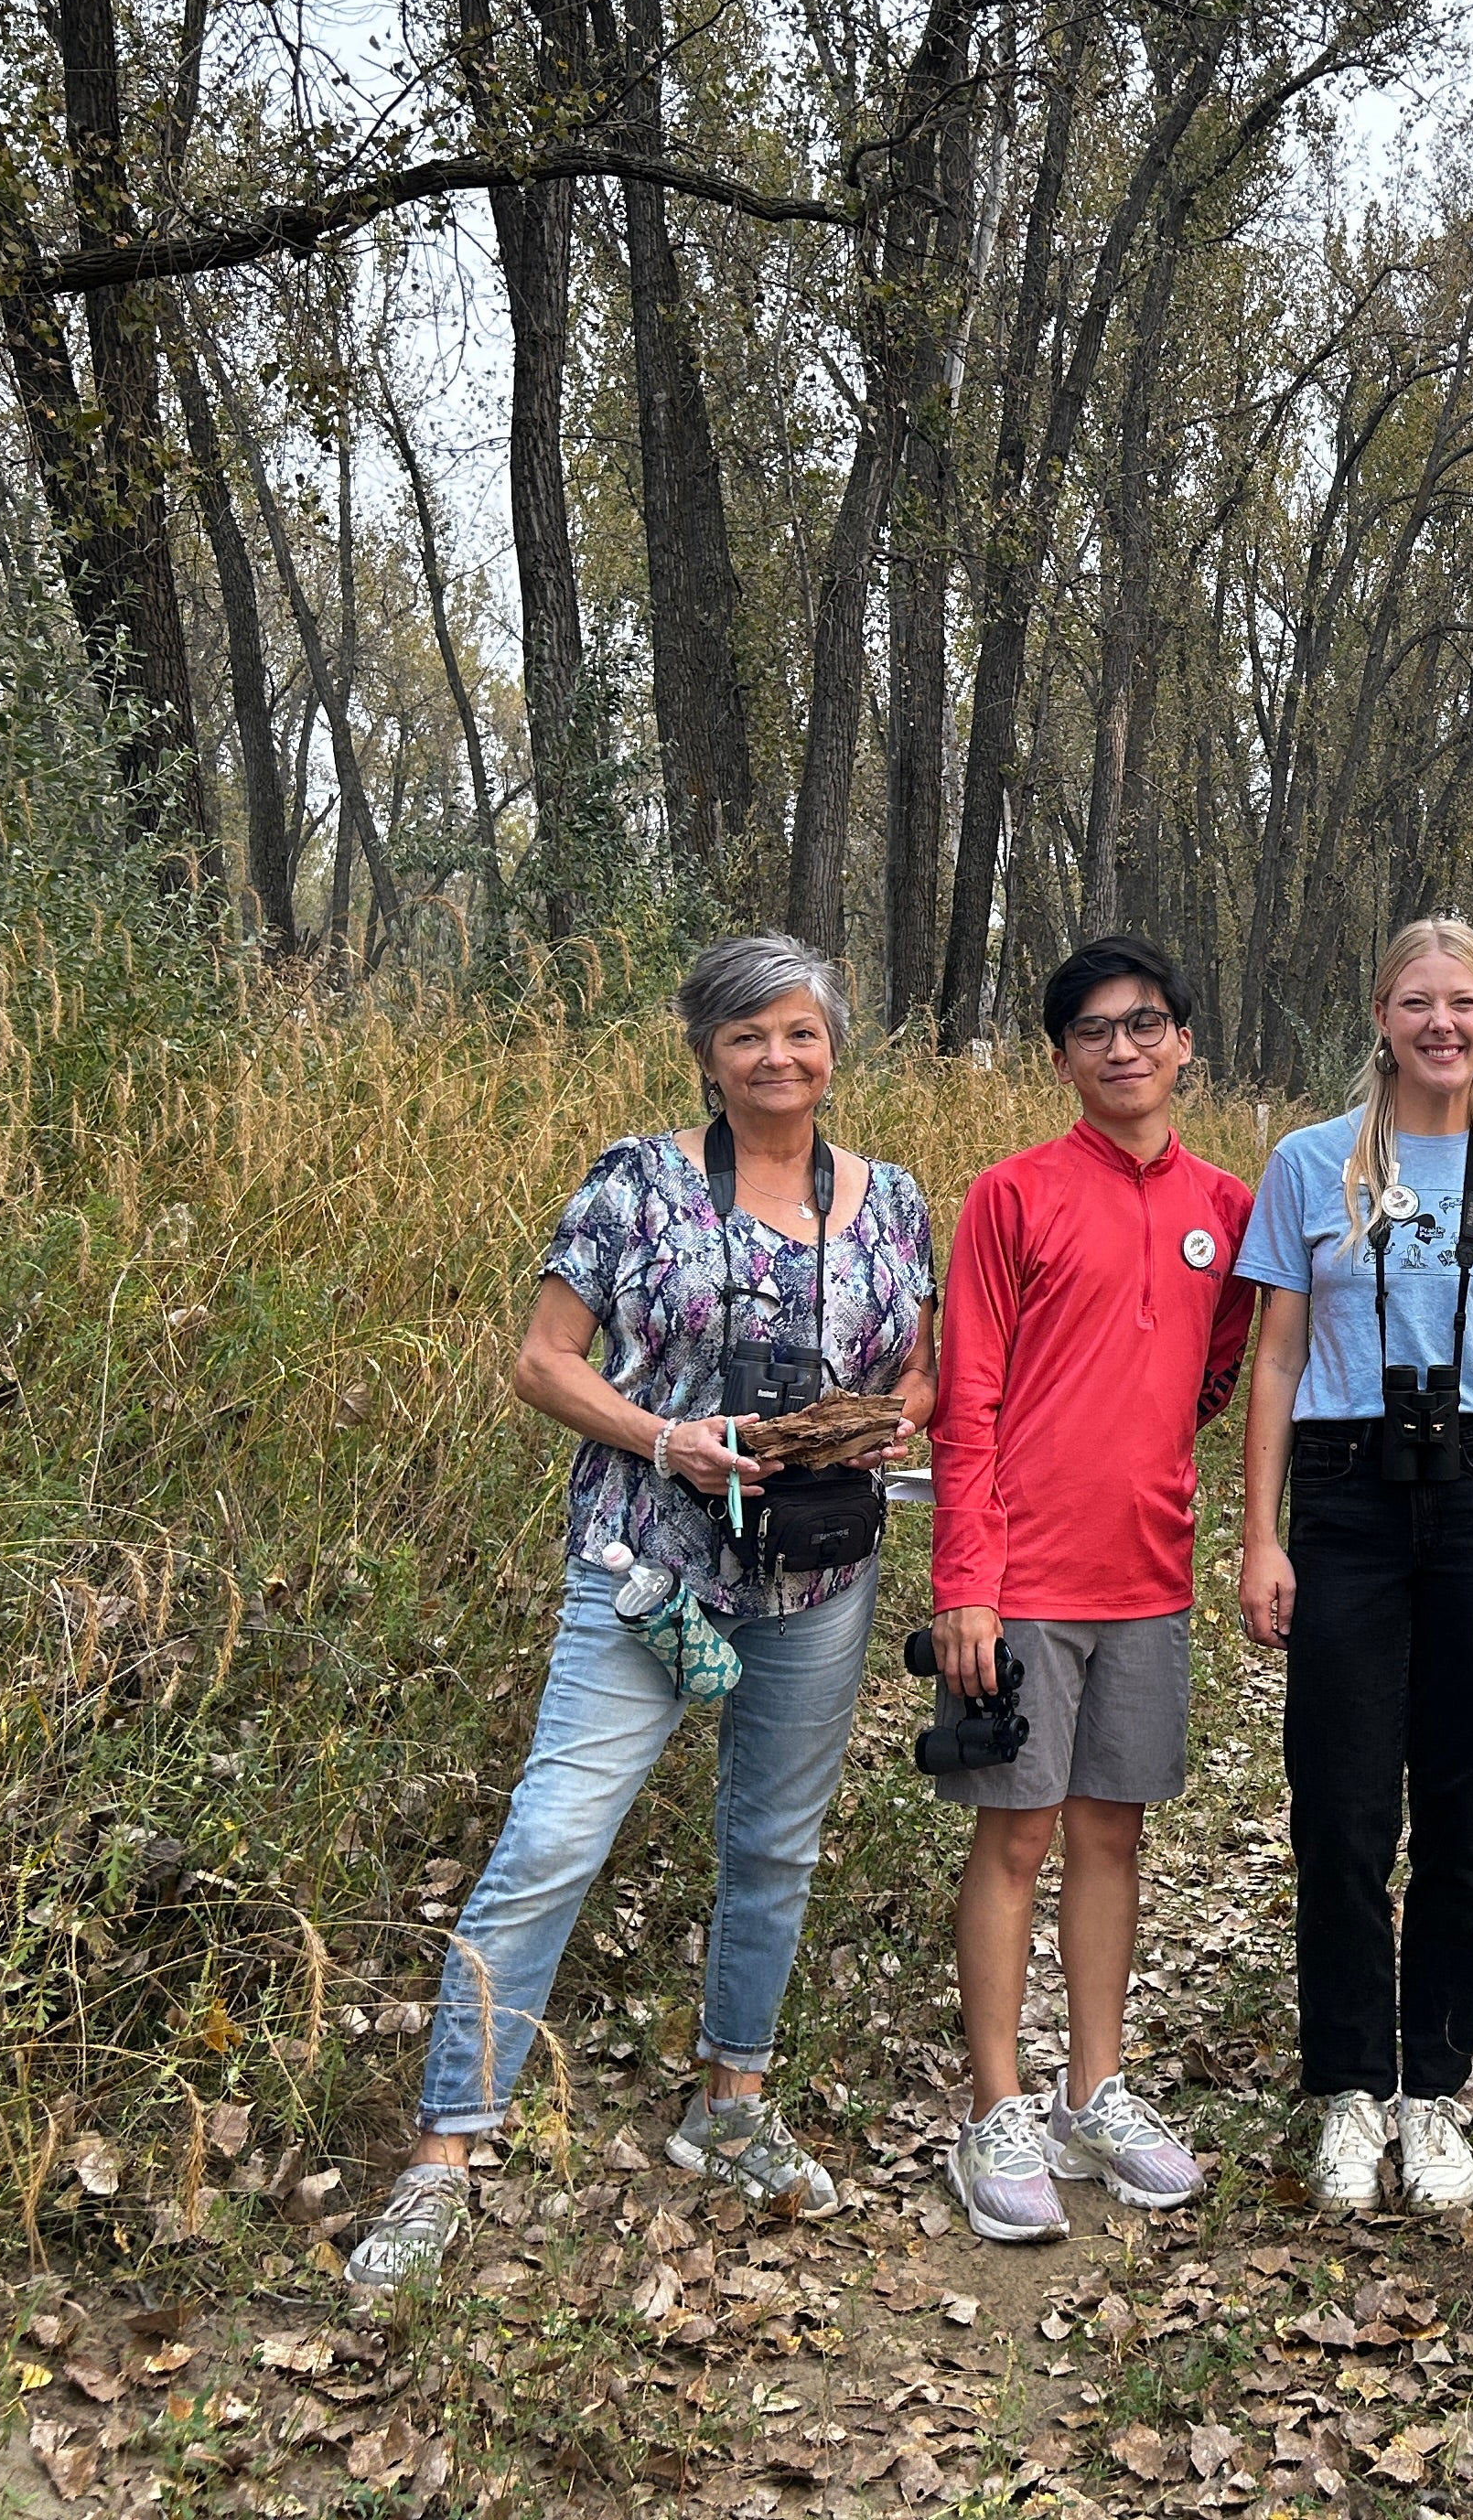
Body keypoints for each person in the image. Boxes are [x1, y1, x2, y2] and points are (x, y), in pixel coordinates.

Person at [346, 935, 938, 2294]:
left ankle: (731, 2108)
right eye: (748, 1037)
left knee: (773, 1848)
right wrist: (669, 1440)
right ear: (707, 1055)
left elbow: (922, 1375)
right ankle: (444, 2153)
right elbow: (544, 1362)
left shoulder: (894, 1199)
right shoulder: (638, 1182)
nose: (777, 1058)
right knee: (555, 1836)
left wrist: (866, 1425)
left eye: (800, 1032)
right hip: (649, 1566)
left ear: (833, 1044)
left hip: (818, 1579)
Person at [1234, 919, 1473, 2214]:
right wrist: (1261, 1534)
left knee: (1462, 1800)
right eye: (1415, 1002)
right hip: (1344, 1484)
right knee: (1339, 1801)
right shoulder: (1310, 1163)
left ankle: (1433, 2088)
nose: (1441, 1025)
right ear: (1380, 1017)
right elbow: (1274, 1360)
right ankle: (1346, 2085)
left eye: (1464, 1003)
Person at [929, 935, 1256, 2244]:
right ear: (1060, 1057)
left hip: (1148, 1573)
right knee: (1014, 1835)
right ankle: (997, 2110)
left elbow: (1224, 1365)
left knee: (1112, 1833)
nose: (1122, 1047)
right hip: (1022, 1581)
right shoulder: (1011, 1196)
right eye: (1092, 1031)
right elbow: (967, 1399)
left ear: (1184, 1041)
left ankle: (1095, 2091)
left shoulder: (1226, 1207)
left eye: (1145, 1023)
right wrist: (969, 1580)